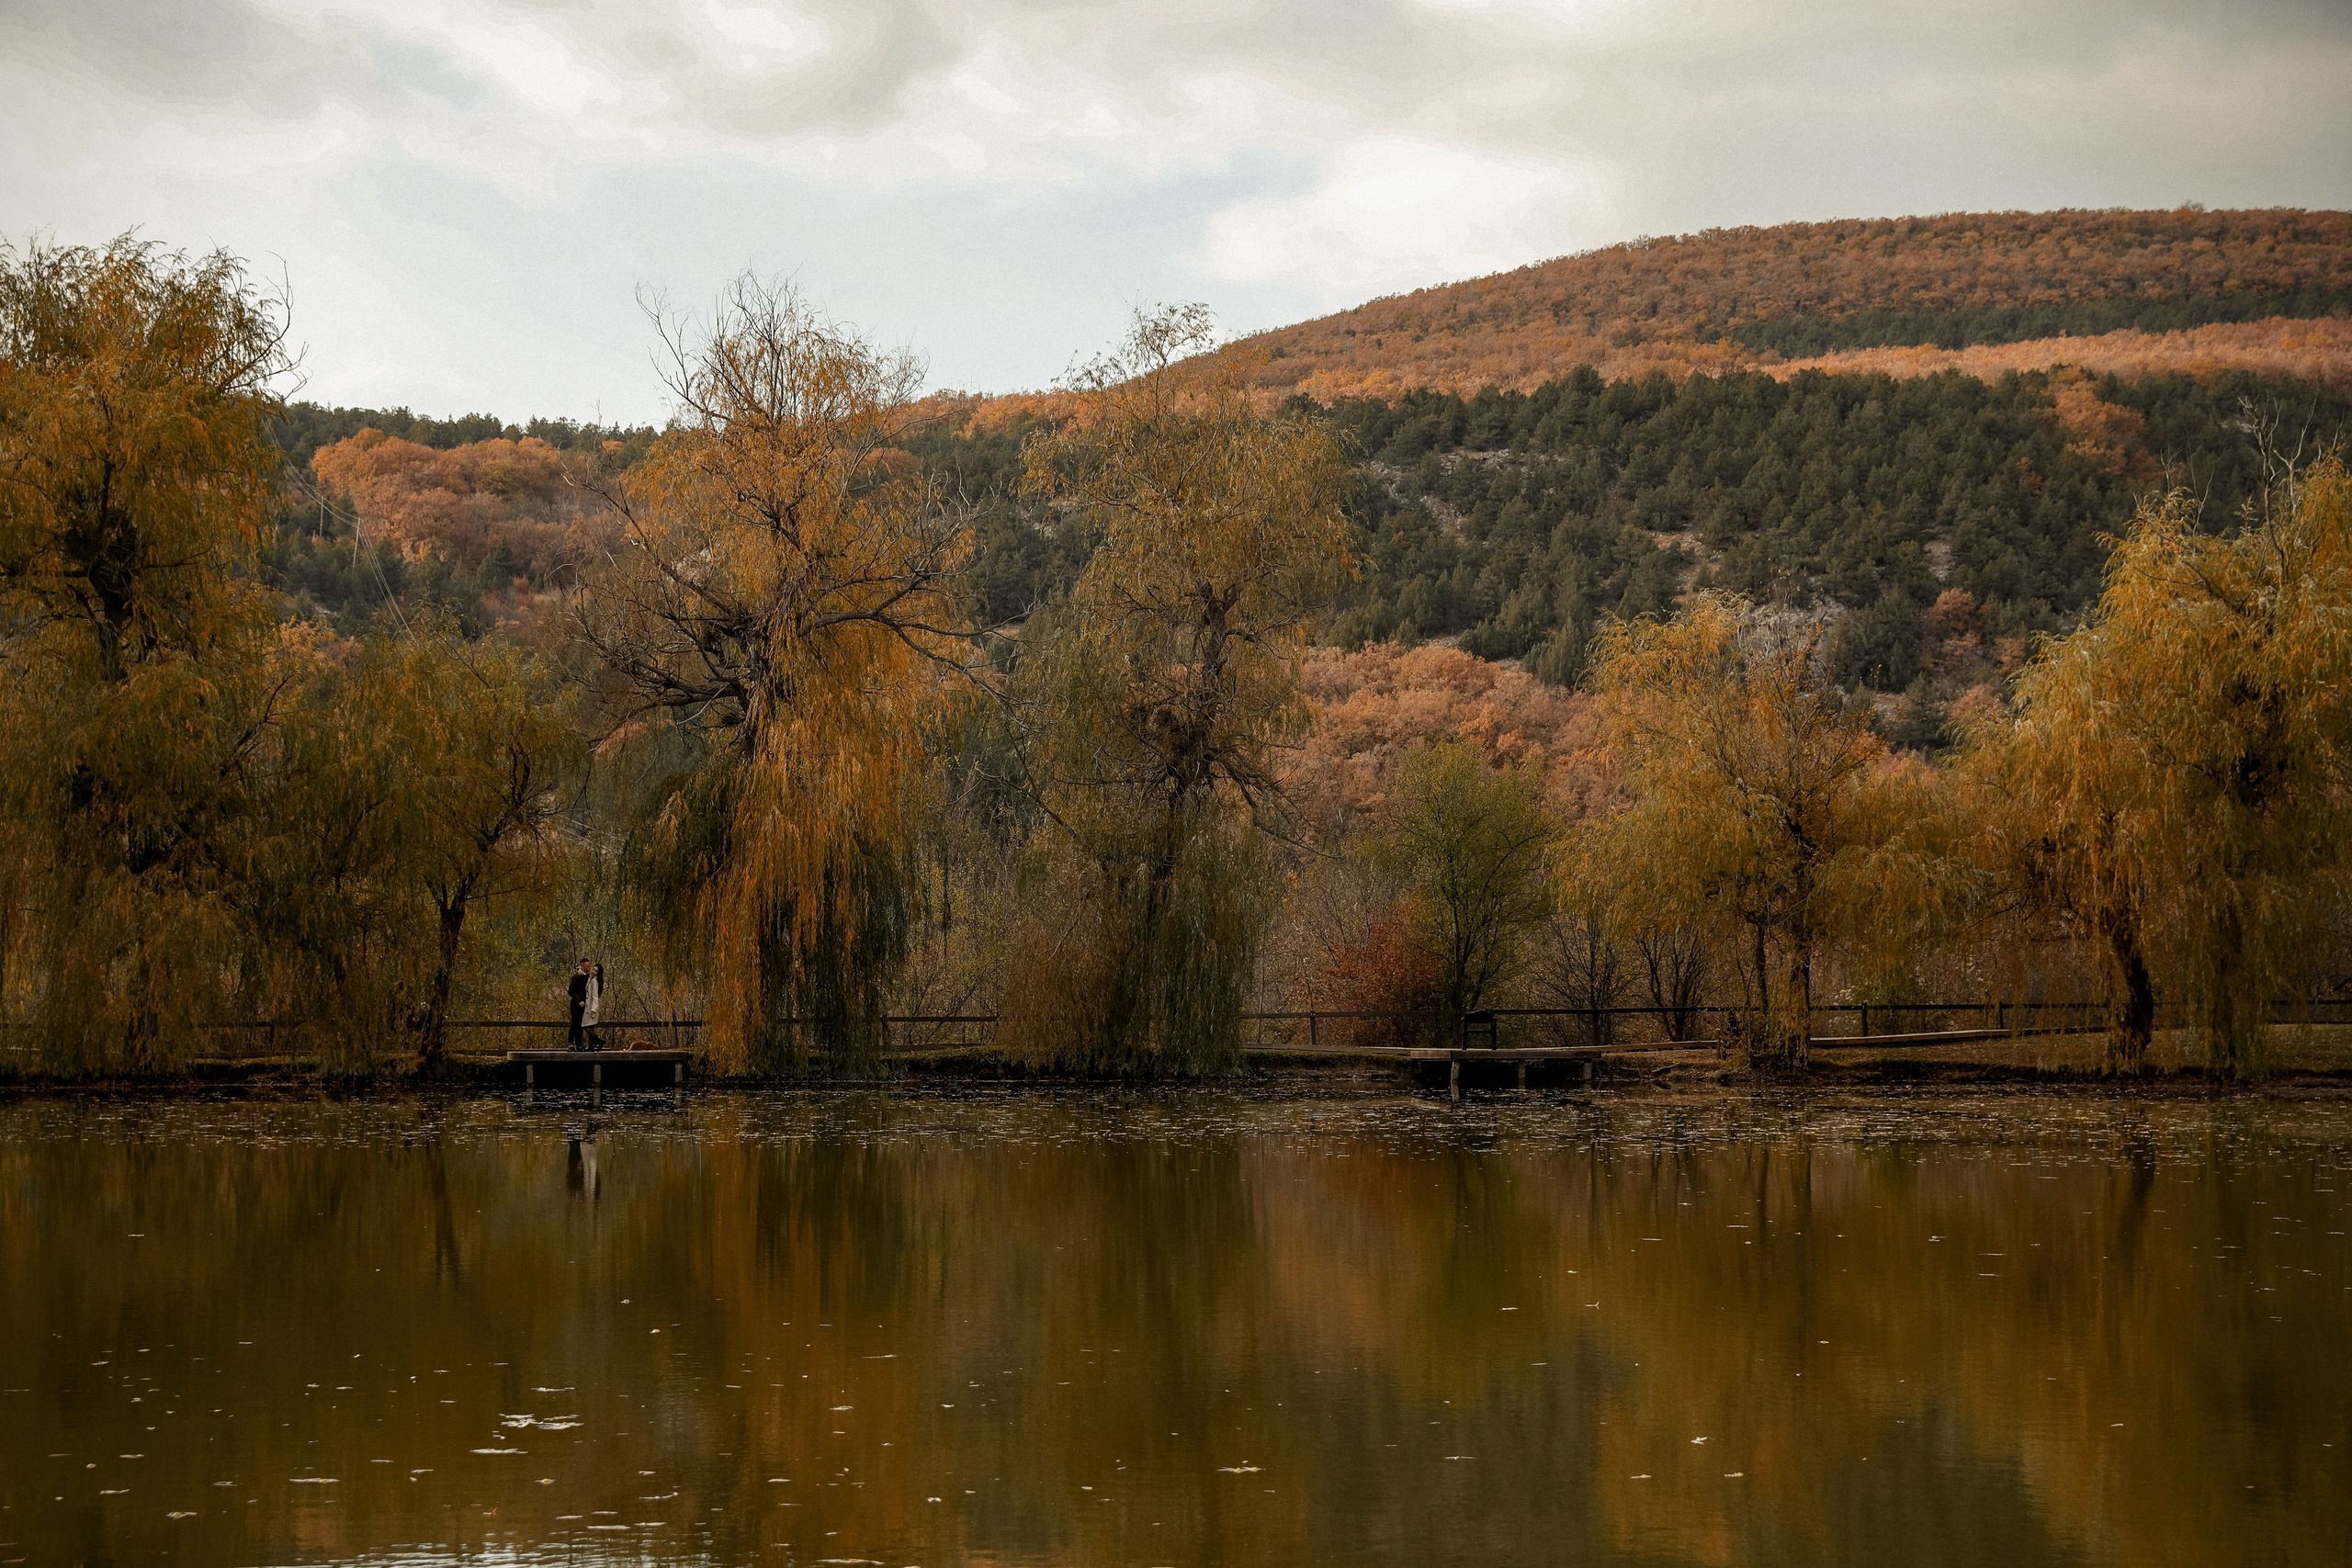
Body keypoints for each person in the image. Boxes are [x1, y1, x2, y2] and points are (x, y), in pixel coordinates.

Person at [565, 959, 591, 1050]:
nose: (589, 967)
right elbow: (571, 991)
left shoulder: (588, 977)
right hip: (576, 1004)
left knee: (581, 1023)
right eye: (587, 966)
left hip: (584, 1004)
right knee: (575, 1023)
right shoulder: (576, 977)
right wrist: (579, 1000)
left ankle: (579, 1044)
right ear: (582, 966)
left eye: (589, 965)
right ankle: (570, 1043)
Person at [584, 962, 604, 1049]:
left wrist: (594, 1009)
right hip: (589, 1007)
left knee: (585, 1025)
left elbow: (595, 997)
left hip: (591, 1008)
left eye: (596, 971)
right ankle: (591, 1046)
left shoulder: (594, 982)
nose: (593, 972)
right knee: (591, 1027)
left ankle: (598, 1040)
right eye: (593, 969)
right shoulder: (590, 979)